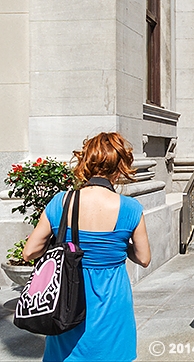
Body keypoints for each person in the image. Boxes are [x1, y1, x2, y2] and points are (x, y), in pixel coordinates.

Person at [23, 132, 151, 361]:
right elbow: (143, 258)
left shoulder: (61, 201)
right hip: (112, 301)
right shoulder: (131, 208)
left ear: (86, 162)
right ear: (120, 165)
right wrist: (117, 244)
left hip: (68, 298)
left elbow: (29, 252)